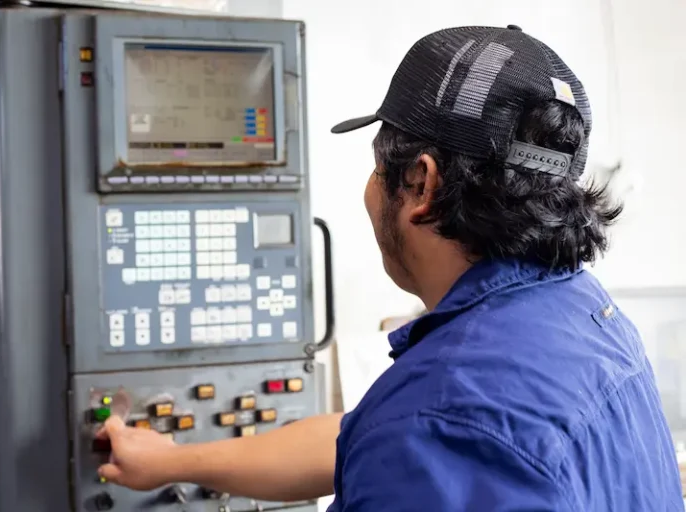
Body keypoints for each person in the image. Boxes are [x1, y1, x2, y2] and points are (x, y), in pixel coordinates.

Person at [96, 25, 684, 510]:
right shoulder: (583, 313)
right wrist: (170, 462)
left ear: (419, 183)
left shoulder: (431, 423)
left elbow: (417, 430)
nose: (370, 191)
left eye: (378, 168)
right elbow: (357, 435)